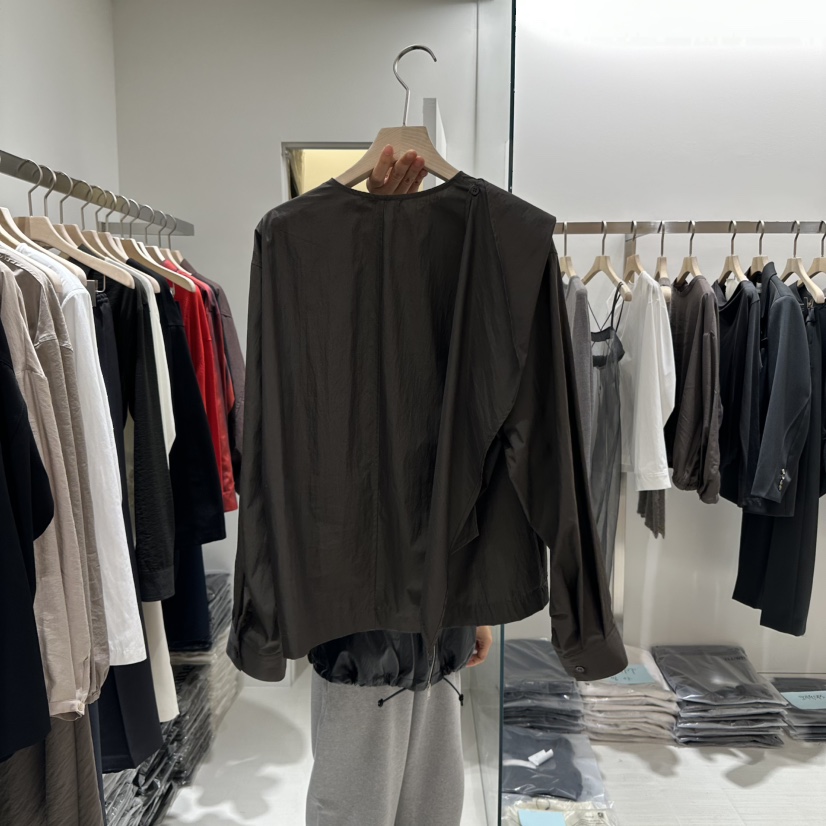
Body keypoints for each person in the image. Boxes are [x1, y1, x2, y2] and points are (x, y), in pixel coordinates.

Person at [304, 146, 494, 826]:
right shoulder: (321, 302)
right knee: (356, 797)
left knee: (432, 798)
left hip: (438, 615)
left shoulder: (454, 307)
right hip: (359, 619)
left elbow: (471, 464)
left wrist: (474, 600)